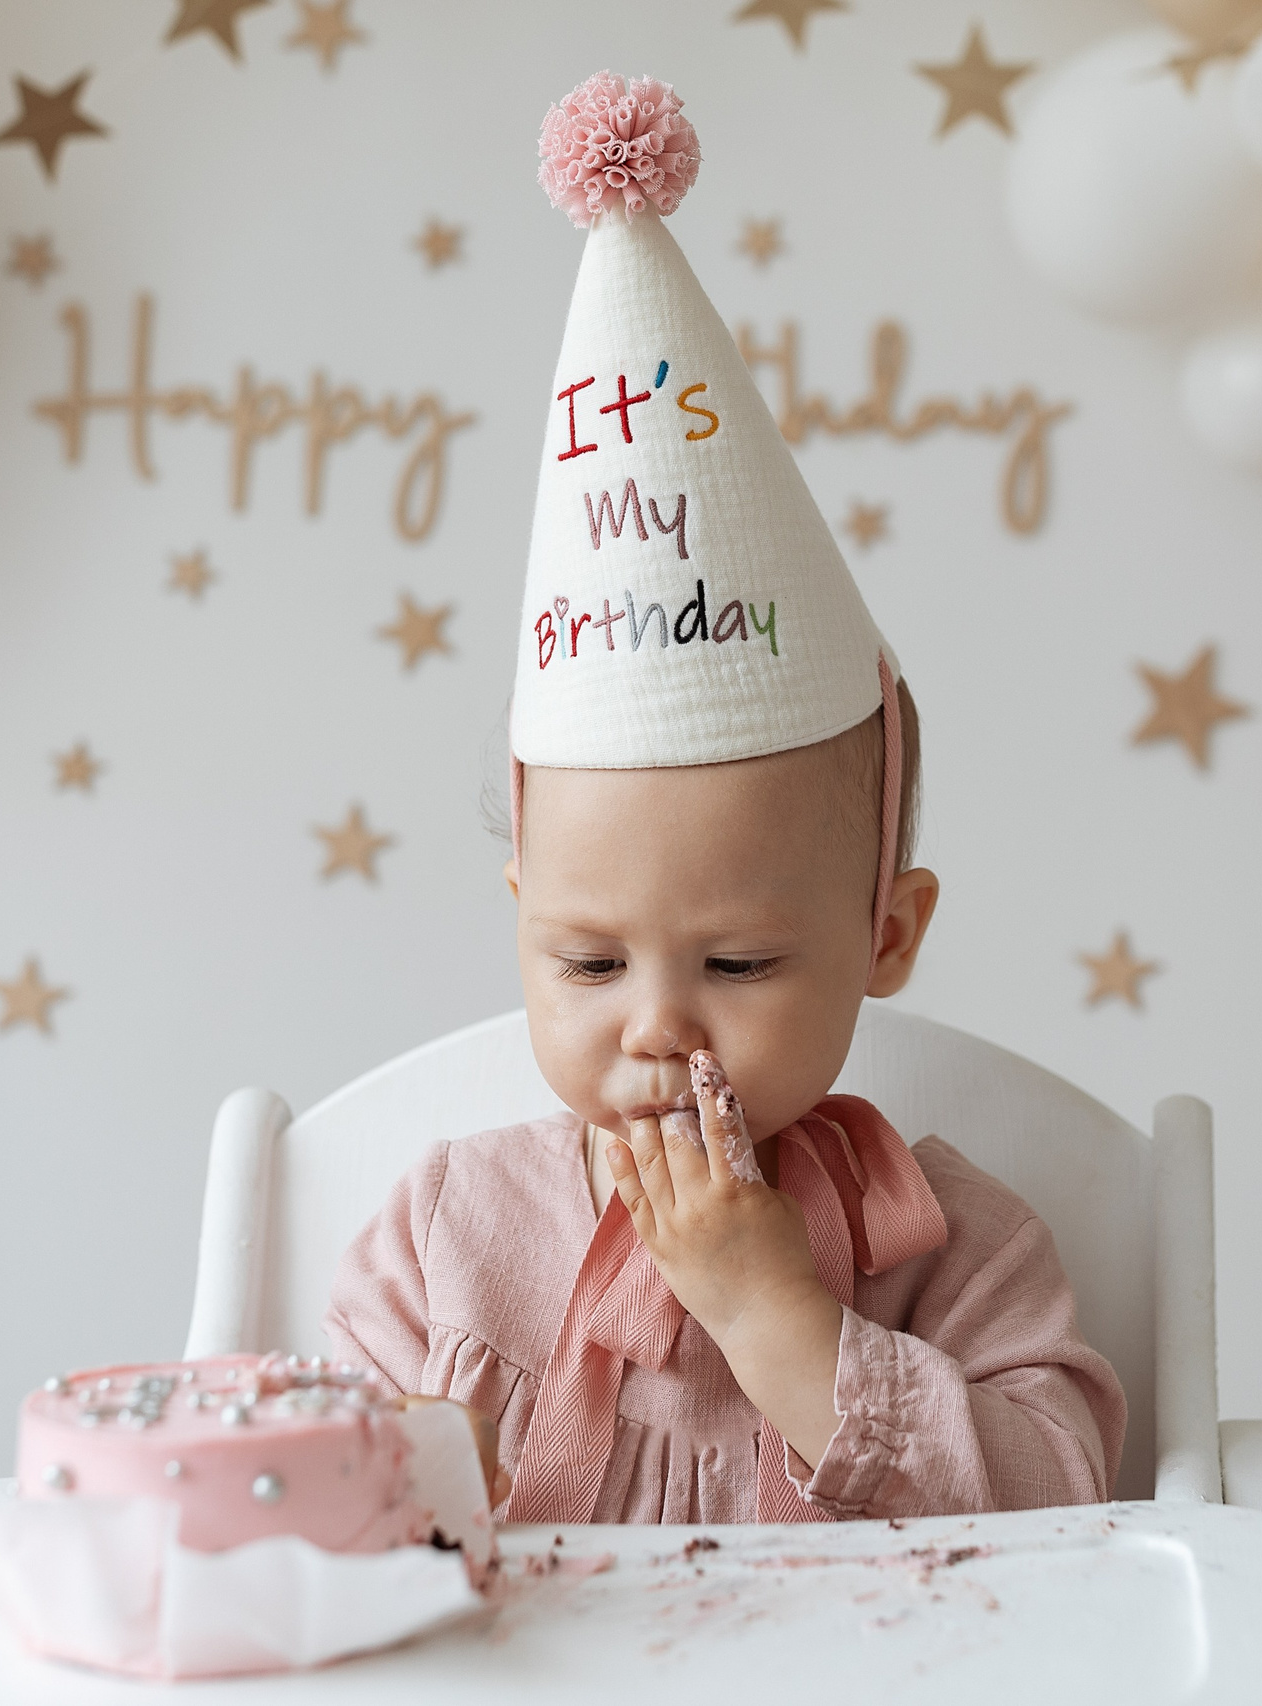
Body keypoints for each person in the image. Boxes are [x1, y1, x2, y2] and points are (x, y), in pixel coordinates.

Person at [325, 71, 1124, 1525]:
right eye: (586, 957)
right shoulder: (444, 1236)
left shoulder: (949, 1248)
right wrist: (414, 1481)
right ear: (520, 920)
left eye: (739, 961)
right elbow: (314, 1526)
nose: (655, 1022)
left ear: (887, 930)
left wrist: (778, 1314)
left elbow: (1068, 1509)